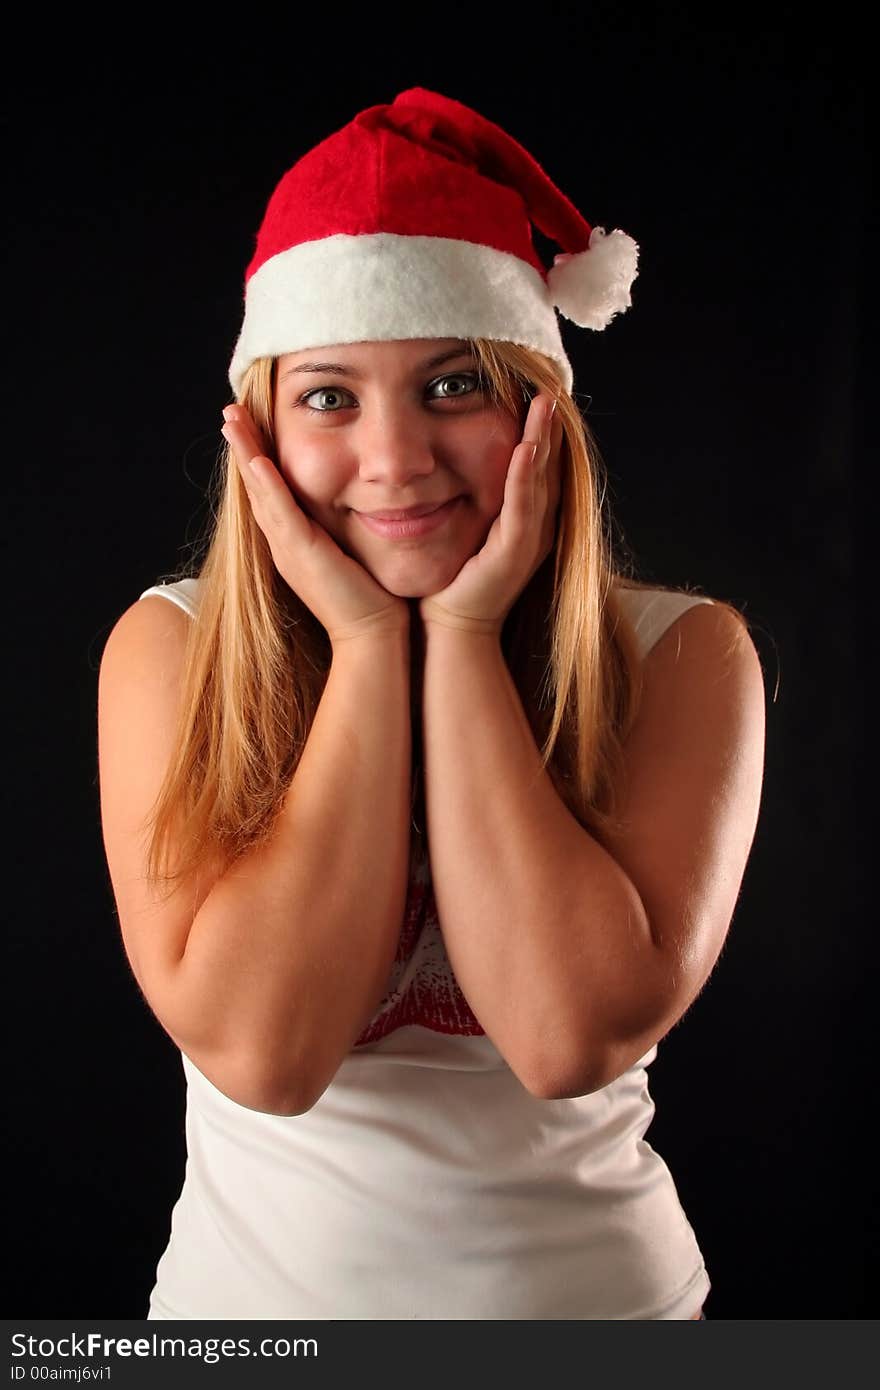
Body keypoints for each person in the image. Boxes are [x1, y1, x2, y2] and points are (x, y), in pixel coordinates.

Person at [96, 86, 765, 1321]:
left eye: (453, 385)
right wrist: (363, 642)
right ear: (260, 436)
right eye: (330, 397)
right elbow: (265, 1056)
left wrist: (456, 636)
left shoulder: (687, 653)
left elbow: (567, 1040)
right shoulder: (167, 649)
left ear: (537, 412)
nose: (395, 458)